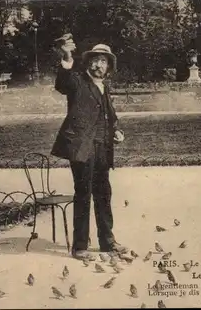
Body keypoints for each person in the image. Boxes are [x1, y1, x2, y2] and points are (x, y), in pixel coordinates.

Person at [51, 34, 128, 260]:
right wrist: (66, 57)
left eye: (104, 61)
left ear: (108, 67)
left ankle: (107, 242)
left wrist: (116, 131)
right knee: (83, 194)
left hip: (102, 149)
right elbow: (62, 84)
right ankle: (80, 247)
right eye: (96, 59)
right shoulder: (77, 81)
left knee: (104, 194)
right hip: (82, 148)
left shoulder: (104, 87)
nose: (99, 64)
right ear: (88, 62)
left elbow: (109, 117)